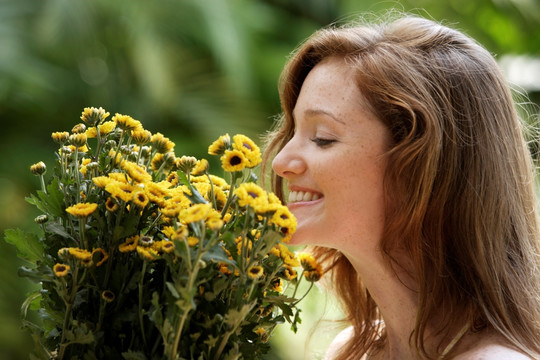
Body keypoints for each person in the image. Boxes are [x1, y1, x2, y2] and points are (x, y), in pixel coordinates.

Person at [262, 14, 540, 360]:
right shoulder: (350, 351)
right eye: (292, 132)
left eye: (322, 138)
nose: (281, 162)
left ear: (422, 167)